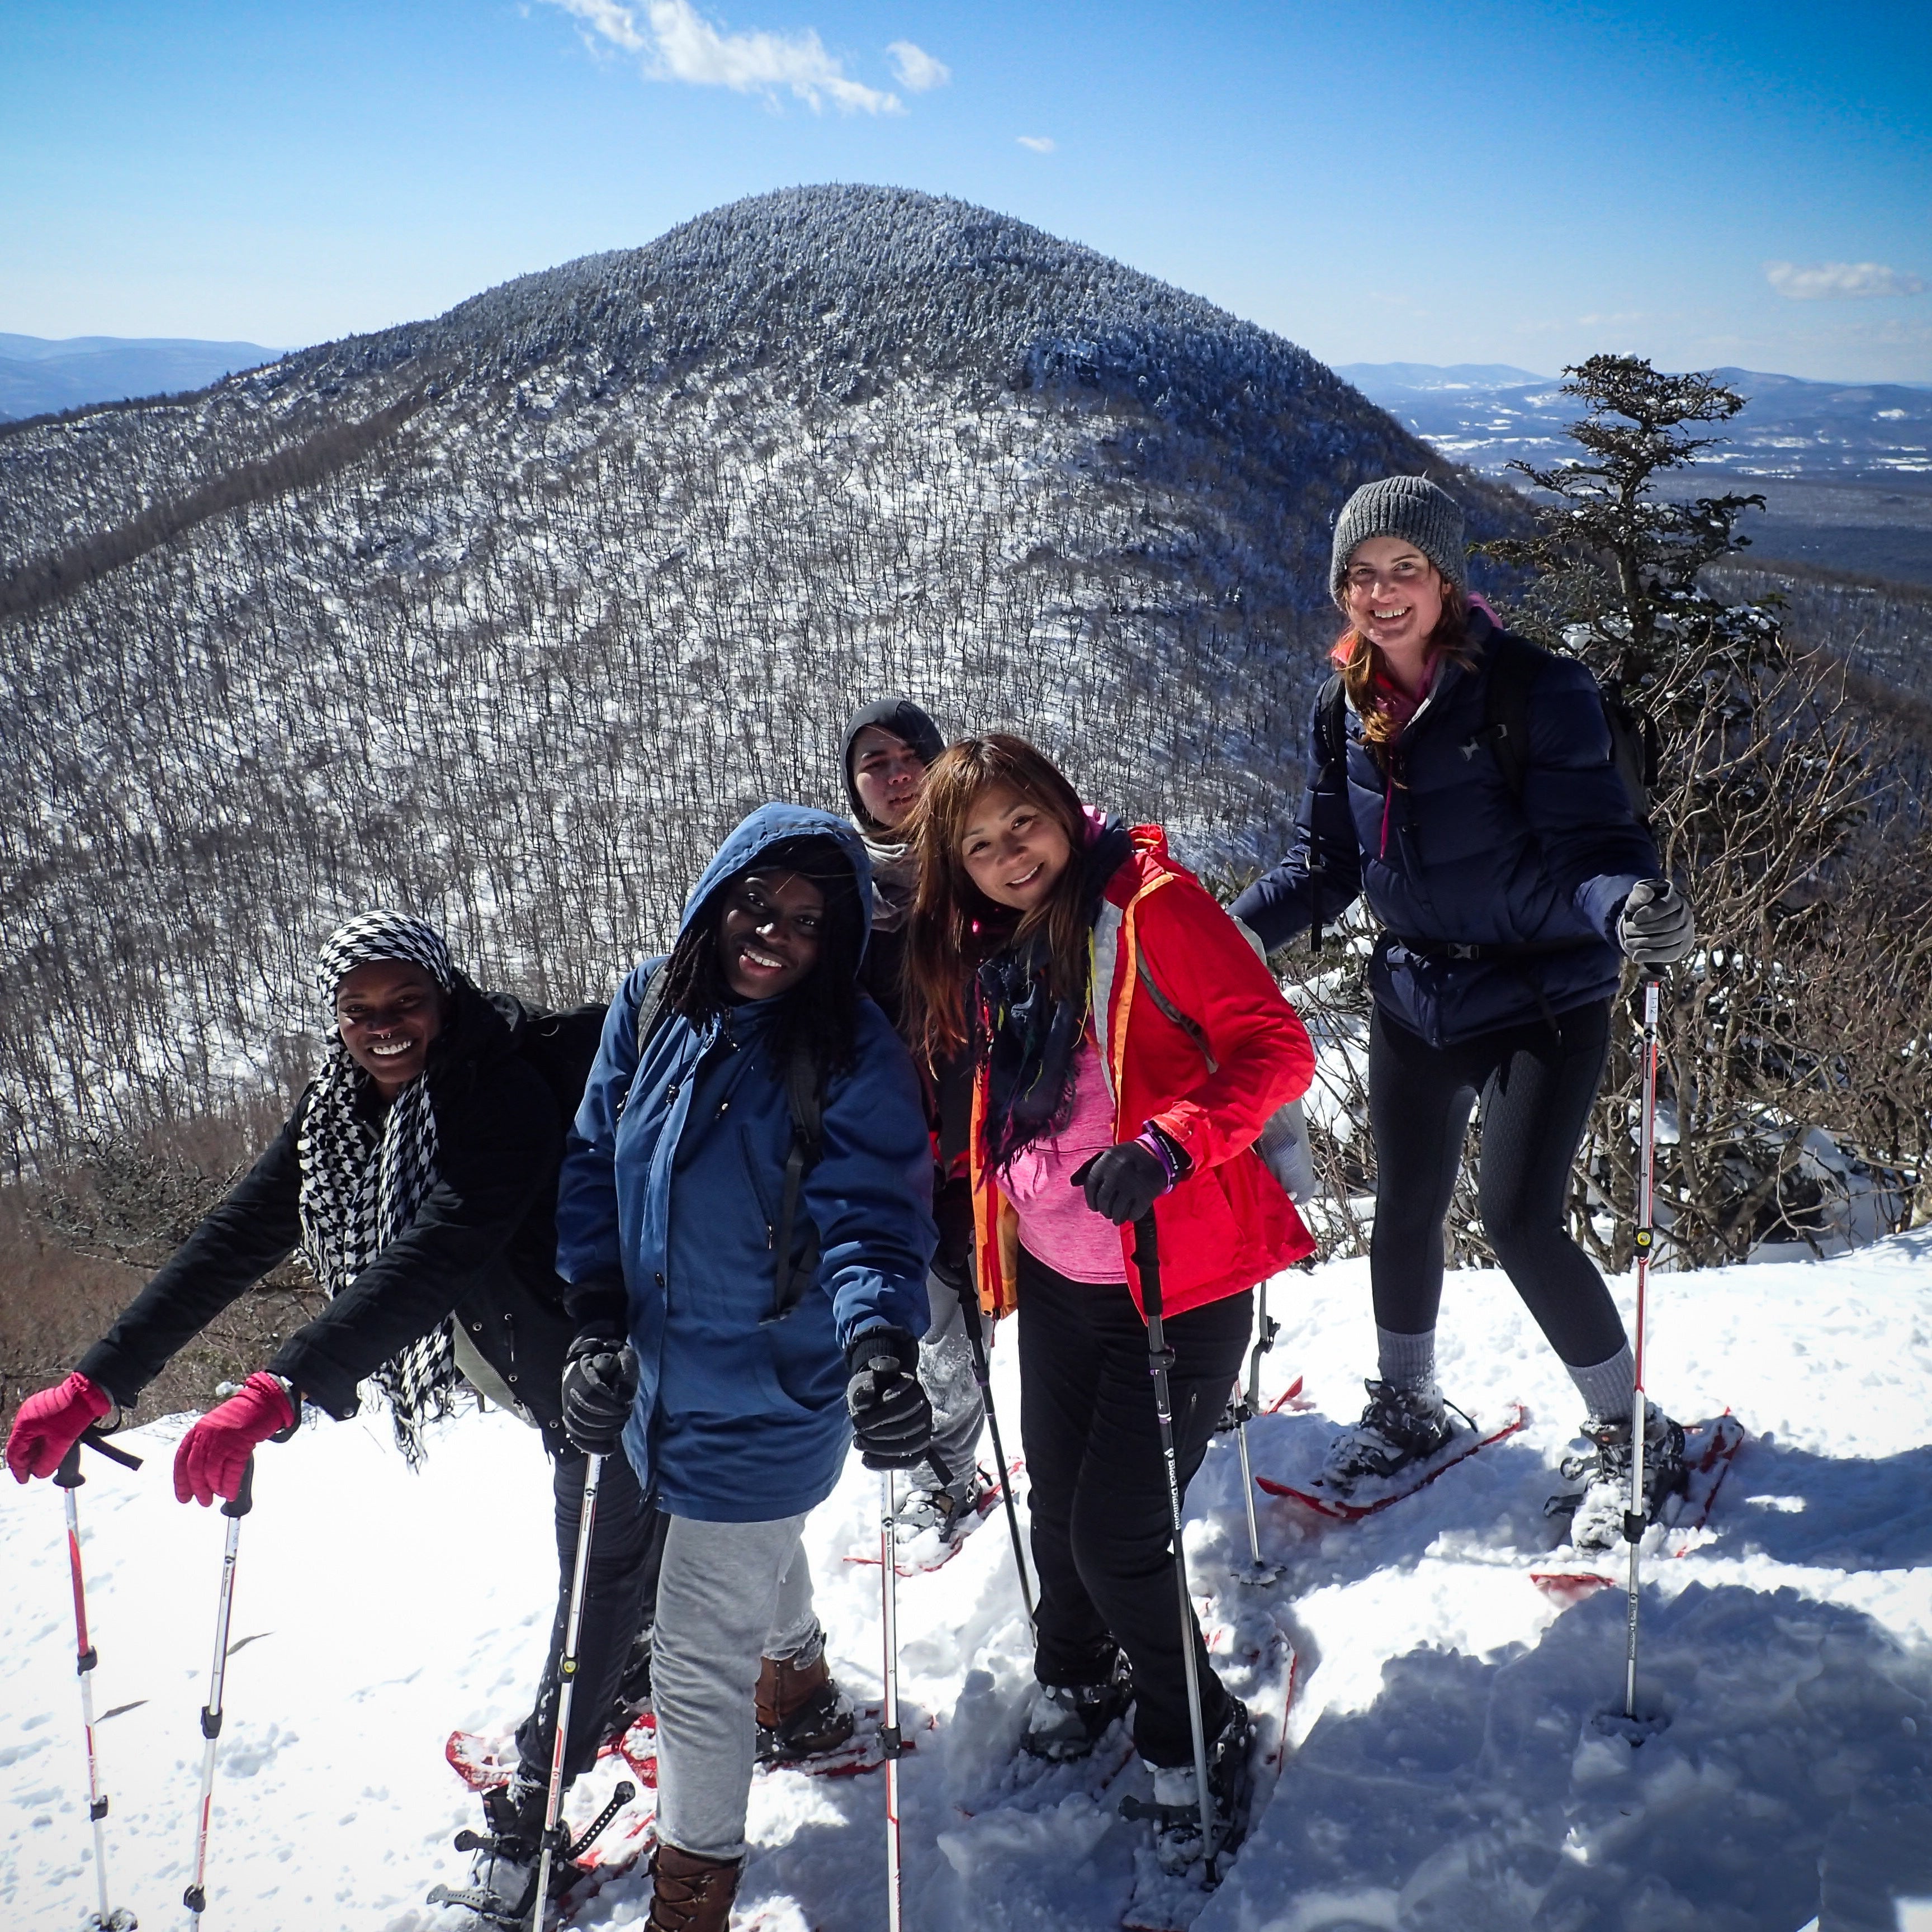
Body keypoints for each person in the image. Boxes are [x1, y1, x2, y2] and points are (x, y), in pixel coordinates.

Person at [2, 912, 663, 1915]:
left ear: (448, 1000)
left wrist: (284, 1385)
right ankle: (659, 1676)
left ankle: (540, 1805)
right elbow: (233, 1239)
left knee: (602, 1567)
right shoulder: (342, 1112)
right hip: (548, 1370)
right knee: (645, 1547)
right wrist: (104, 1379)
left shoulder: (507, 1092)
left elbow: (439, 1248)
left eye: (407, 1005)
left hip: (628, 1356)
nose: (383, 1027)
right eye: (359, 1011)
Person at [1230, 475, 1698, 1546]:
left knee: (1520, 1219)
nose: (1381, 594)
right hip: (1415, 990)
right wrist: (1229, 934)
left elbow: (1595, 847)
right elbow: (1326, 861)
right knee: (1405, 1205)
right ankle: (1409, 1403)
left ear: (1447, 578)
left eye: (1405, 571)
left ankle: (1632, 1430)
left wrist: (1628, 907)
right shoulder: (1342, 700)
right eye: (1361, 575)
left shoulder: (1539, 691)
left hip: (1543, 990)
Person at [903, 735, 1316, 1874]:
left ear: (1058, 805)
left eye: (1019, 823)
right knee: (1058, 1504)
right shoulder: (987, 950)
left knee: (1119, 1534)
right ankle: (1079, 1670)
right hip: (1058, 1274)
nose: (1007, 855)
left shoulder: (1152, 905)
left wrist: (1171, 1147)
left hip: (1174, 1283)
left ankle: (1200, 1733)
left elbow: (1277, 1050)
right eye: (977, 845)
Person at [553, 803, 936, 1932]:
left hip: (777, 1391)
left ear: (838, 939)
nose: (773, 933)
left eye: (808, 921)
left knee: (688, 1662)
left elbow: (872, 1220)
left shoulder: (848, 1049)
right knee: (746, 1556)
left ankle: (691, 1901)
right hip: (654, 1385)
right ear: (718, 896)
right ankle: (800, 1680)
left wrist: (878, 1350)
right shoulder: (649, 1004)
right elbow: (591, 1161)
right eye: (756, 904)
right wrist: (593, 1320)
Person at [841, 696, 987, 1537]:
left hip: (997, 1137)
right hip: (901, 1150)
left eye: (910, 755)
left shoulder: (982, 862)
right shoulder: (837, 888)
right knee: (941, 1327)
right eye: (875, 763)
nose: (896, 775)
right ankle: (953, 1471)